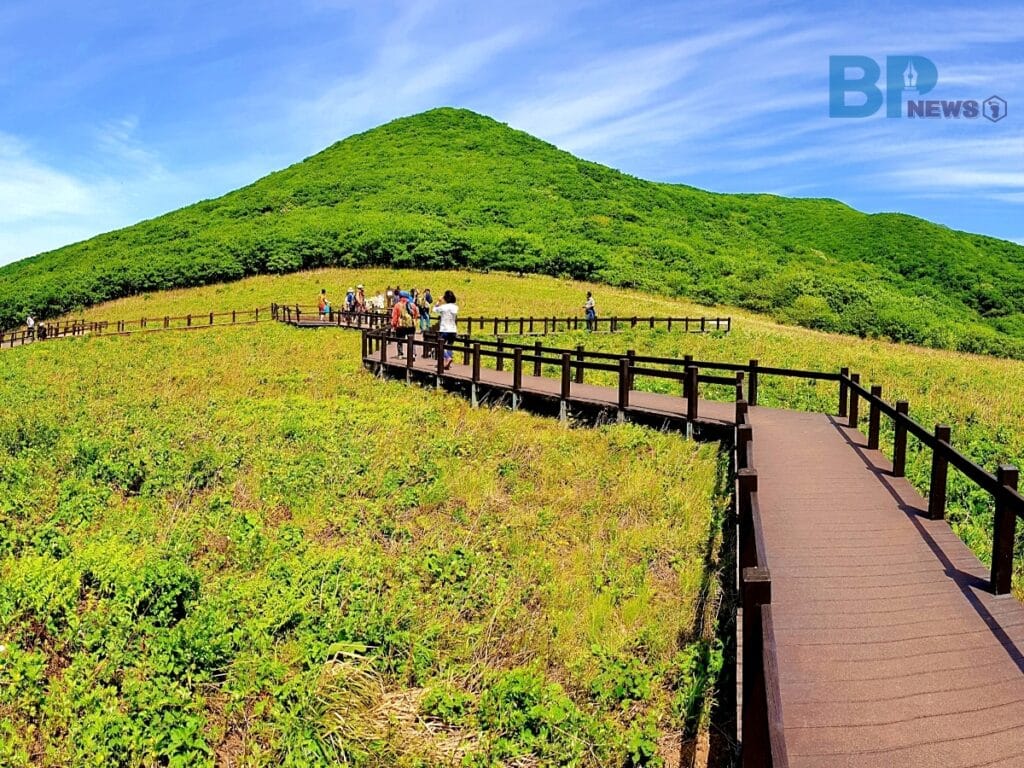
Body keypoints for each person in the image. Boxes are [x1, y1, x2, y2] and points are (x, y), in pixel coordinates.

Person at [433, 290, 459, 370]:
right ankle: (448, 362)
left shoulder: (443, 307)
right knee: (449, 346)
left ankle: (447, 358)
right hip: (453, 329)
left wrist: (438, 301)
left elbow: (434, 309)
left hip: (444, 329)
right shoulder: (455, 307)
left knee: (440, 345)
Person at [390, 290, 419, 357]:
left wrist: (394, 325)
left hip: (401, 326)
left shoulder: (397, 305)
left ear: (400, 296)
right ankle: (413, 353)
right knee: (411, 340)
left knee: (400, 340)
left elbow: (395, 316)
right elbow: (416, 314)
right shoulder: (412, 305)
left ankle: (400, 354)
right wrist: (414, 321)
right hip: (411, 326)